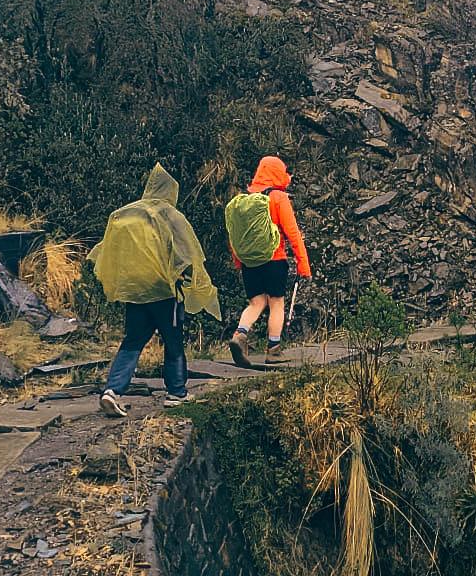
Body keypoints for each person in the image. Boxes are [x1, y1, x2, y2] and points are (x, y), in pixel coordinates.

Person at [88, 164, 221, 418]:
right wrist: (194, 282)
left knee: (133, 340)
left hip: (135, 290)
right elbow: (187, 252)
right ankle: (177, 393)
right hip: (163, 290)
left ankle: (112, 391)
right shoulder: (167, 214)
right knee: (173, 340)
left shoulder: (130, 213)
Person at [226, 156, 311, 367]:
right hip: (274, 260)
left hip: (249, 262)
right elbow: (293, 233)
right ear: (277, 172)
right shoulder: (278, 197)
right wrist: (303, 264)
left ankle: (240, 334)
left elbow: (234, 234)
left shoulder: (243, 199)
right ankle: (273, 350)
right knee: (276, 303)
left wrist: (239, 261)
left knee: (256, 303)